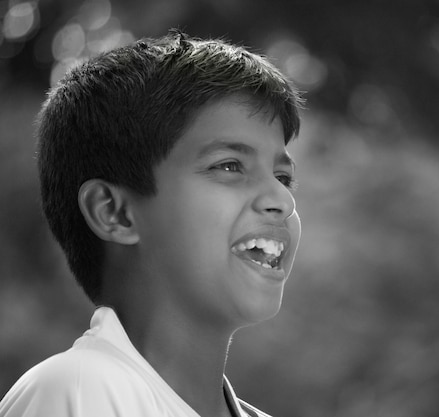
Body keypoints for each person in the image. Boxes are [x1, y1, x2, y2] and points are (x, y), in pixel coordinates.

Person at [0, 29, 303, 417]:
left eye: (282, 177)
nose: (283, 199)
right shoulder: (78, 390)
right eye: (229, 166)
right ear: (115, 213)